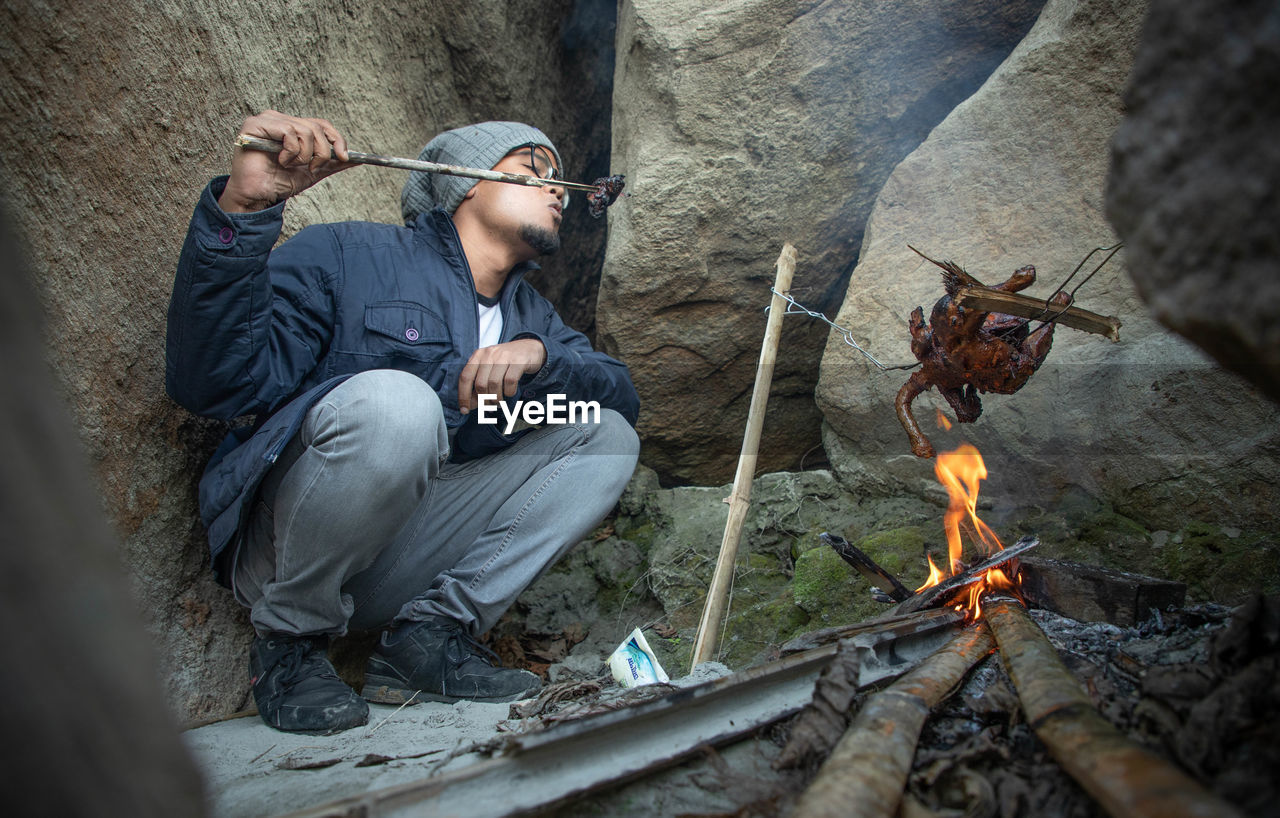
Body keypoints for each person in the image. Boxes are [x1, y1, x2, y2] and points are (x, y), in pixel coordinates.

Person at [166, 110, 640, 734]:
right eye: (535, 169)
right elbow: (217, 383)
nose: (559, 190)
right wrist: (244, 210)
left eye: (563, 180)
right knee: (401, 404)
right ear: (465, 181)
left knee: (604, 435)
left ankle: (427, 638)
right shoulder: (348, 255)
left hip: (402, 558)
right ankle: (289, 644)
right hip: (286, 549)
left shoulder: (534, 318)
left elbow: (617, 395)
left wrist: (544, 358)